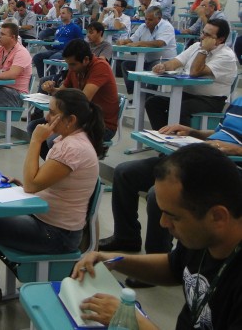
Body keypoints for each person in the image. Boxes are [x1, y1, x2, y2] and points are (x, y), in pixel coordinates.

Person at [0, 89, 103, 309]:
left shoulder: (73, 148)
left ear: (71, 119)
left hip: (57, 234)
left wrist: (35, 140)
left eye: (52, 113)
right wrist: (28, 187)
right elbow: (43, 183)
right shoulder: (70, 140)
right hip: (49, 222)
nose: (46, 117)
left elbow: (32, 183)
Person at [77, 143, 242, 329]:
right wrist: (114, 260)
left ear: (218, 217)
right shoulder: (204, 236)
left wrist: (134, 322)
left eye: (173, 216)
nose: (163, 223)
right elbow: (174, 266)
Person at [99, 97, 242, 286]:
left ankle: (158, 255)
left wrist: (238, 149)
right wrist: (194, 132)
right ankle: (126, 237)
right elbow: (219, 132)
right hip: (203, 160)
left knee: (156, 196)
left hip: (229, 171)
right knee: (125, 172)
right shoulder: (238, 102)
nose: (164, 221)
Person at [146, 18, 237, 129]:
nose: (202, 37)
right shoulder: (196, 46)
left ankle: (183, 138)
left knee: (181, 108)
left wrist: (204, 50)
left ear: (220, 39)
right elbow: (176, 62)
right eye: (203, 32)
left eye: (208, 35)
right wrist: (163, 66)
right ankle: (164, 135)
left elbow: (195, 72)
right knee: (153, 102)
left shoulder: (226, 56)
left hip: (211, 100)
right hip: (187, 95)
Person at [119, 6, 177, 97]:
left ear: (159, 18)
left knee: (155, 68)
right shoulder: (143, 27)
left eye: (150, 19)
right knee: (126, 65)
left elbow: (159, 43)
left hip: (165, 61)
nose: (147, 21)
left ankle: (148, 98)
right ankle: (135, 95)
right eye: (146, 19)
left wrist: (140, 43)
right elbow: (132, 39)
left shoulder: (167, 27)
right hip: (147, 60)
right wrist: (123, 41)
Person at [33, 6, 83, 78]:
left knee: (53, 59)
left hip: (66, 51)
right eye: (60, 13)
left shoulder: (75, 27)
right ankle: (44, 79)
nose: (61, 15)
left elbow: (81, 42)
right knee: (37, 57)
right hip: (54, 49)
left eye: (63, 13)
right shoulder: (60, 27)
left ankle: (52, 80)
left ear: (70, 14)